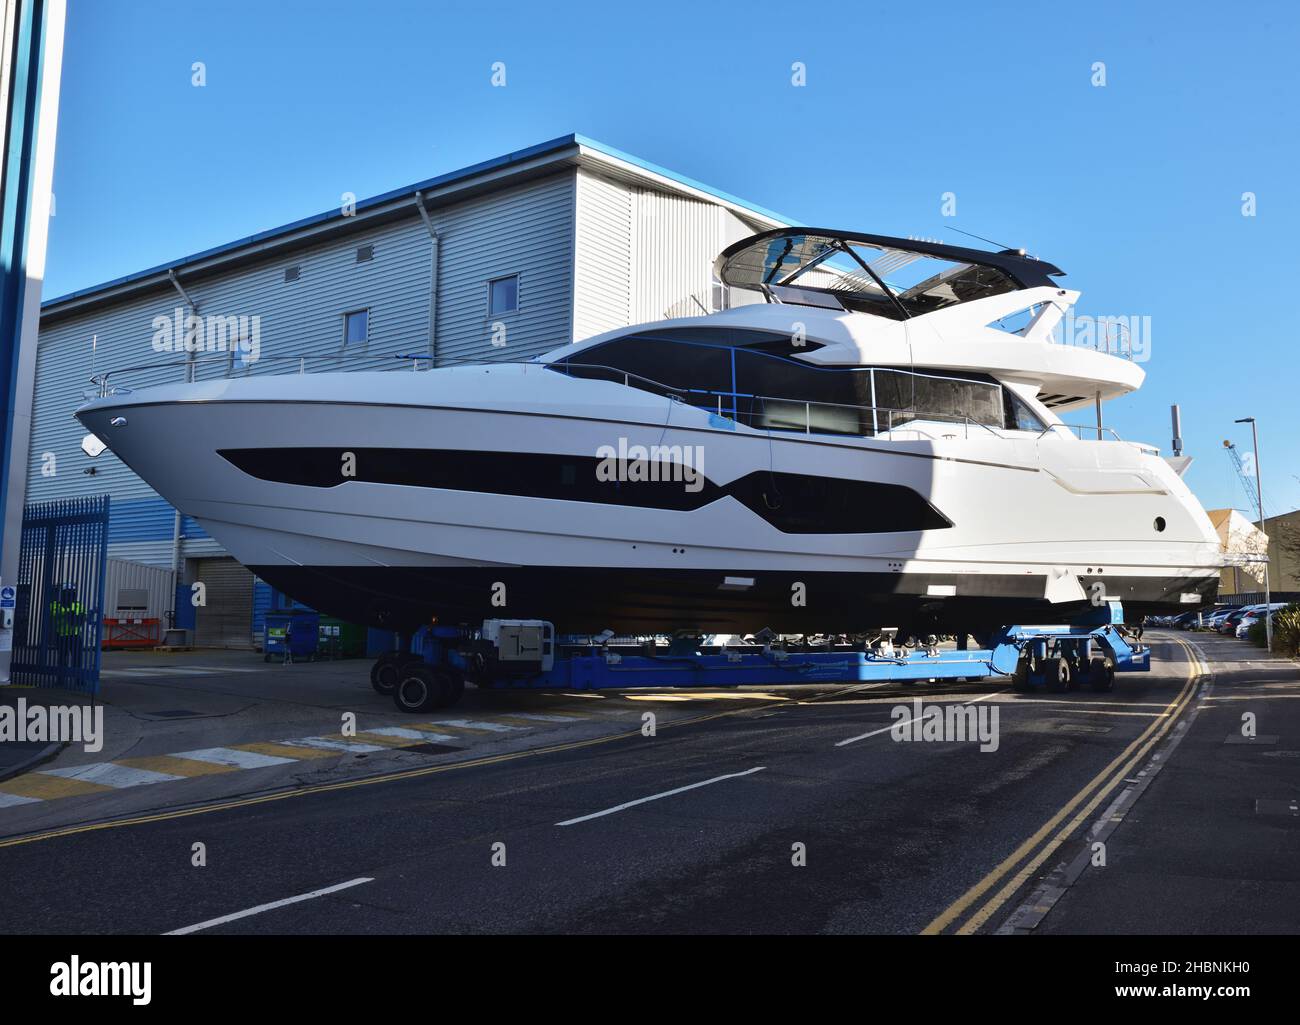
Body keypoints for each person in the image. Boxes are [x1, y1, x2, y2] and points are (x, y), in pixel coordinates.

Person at [50, 584, 84, 673]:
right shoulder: (56, 605)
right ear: (63, 594)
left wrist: (75, 617)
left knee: (77, 659)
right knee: (62, 658)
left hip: (75, 636)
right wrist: (68, 613)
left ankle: (78, 679)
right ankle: (60, 679)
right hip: (61, 636)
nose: (70, 595)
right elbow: (54, 615)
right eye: (68, 593)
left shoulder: (78, 605)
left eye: (72, 593)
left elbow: (81, 618)